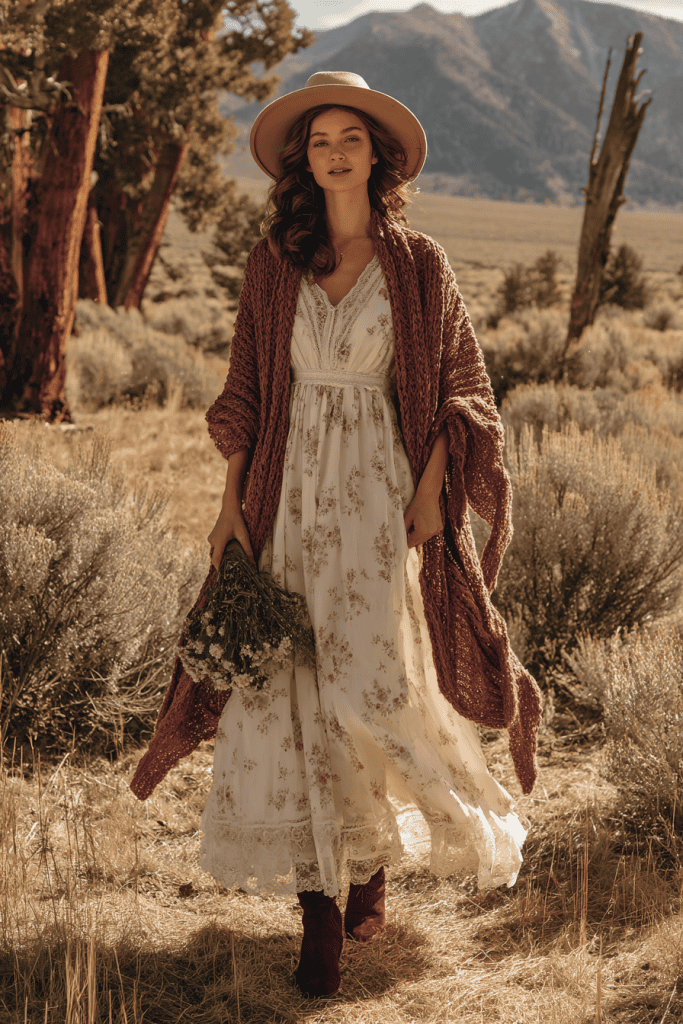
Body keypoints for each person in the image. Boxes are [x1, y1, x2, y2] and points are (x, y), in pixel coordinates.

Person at [130, 71, 543, 1000]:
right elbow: (242, 396)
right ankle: (322, 904)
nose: (334, 152)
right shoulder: (274, 262)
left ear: (377, 154)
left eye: (349, 136)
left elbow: (459, 396)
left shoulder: (419, 264)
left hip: (380, 503)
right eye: (318, 141)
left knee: (371, 684)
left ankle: (369, 866)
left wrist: (434, 492)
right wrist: (229, 505)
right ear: (301, 162)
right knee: (293, 690)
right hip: (286, 499)